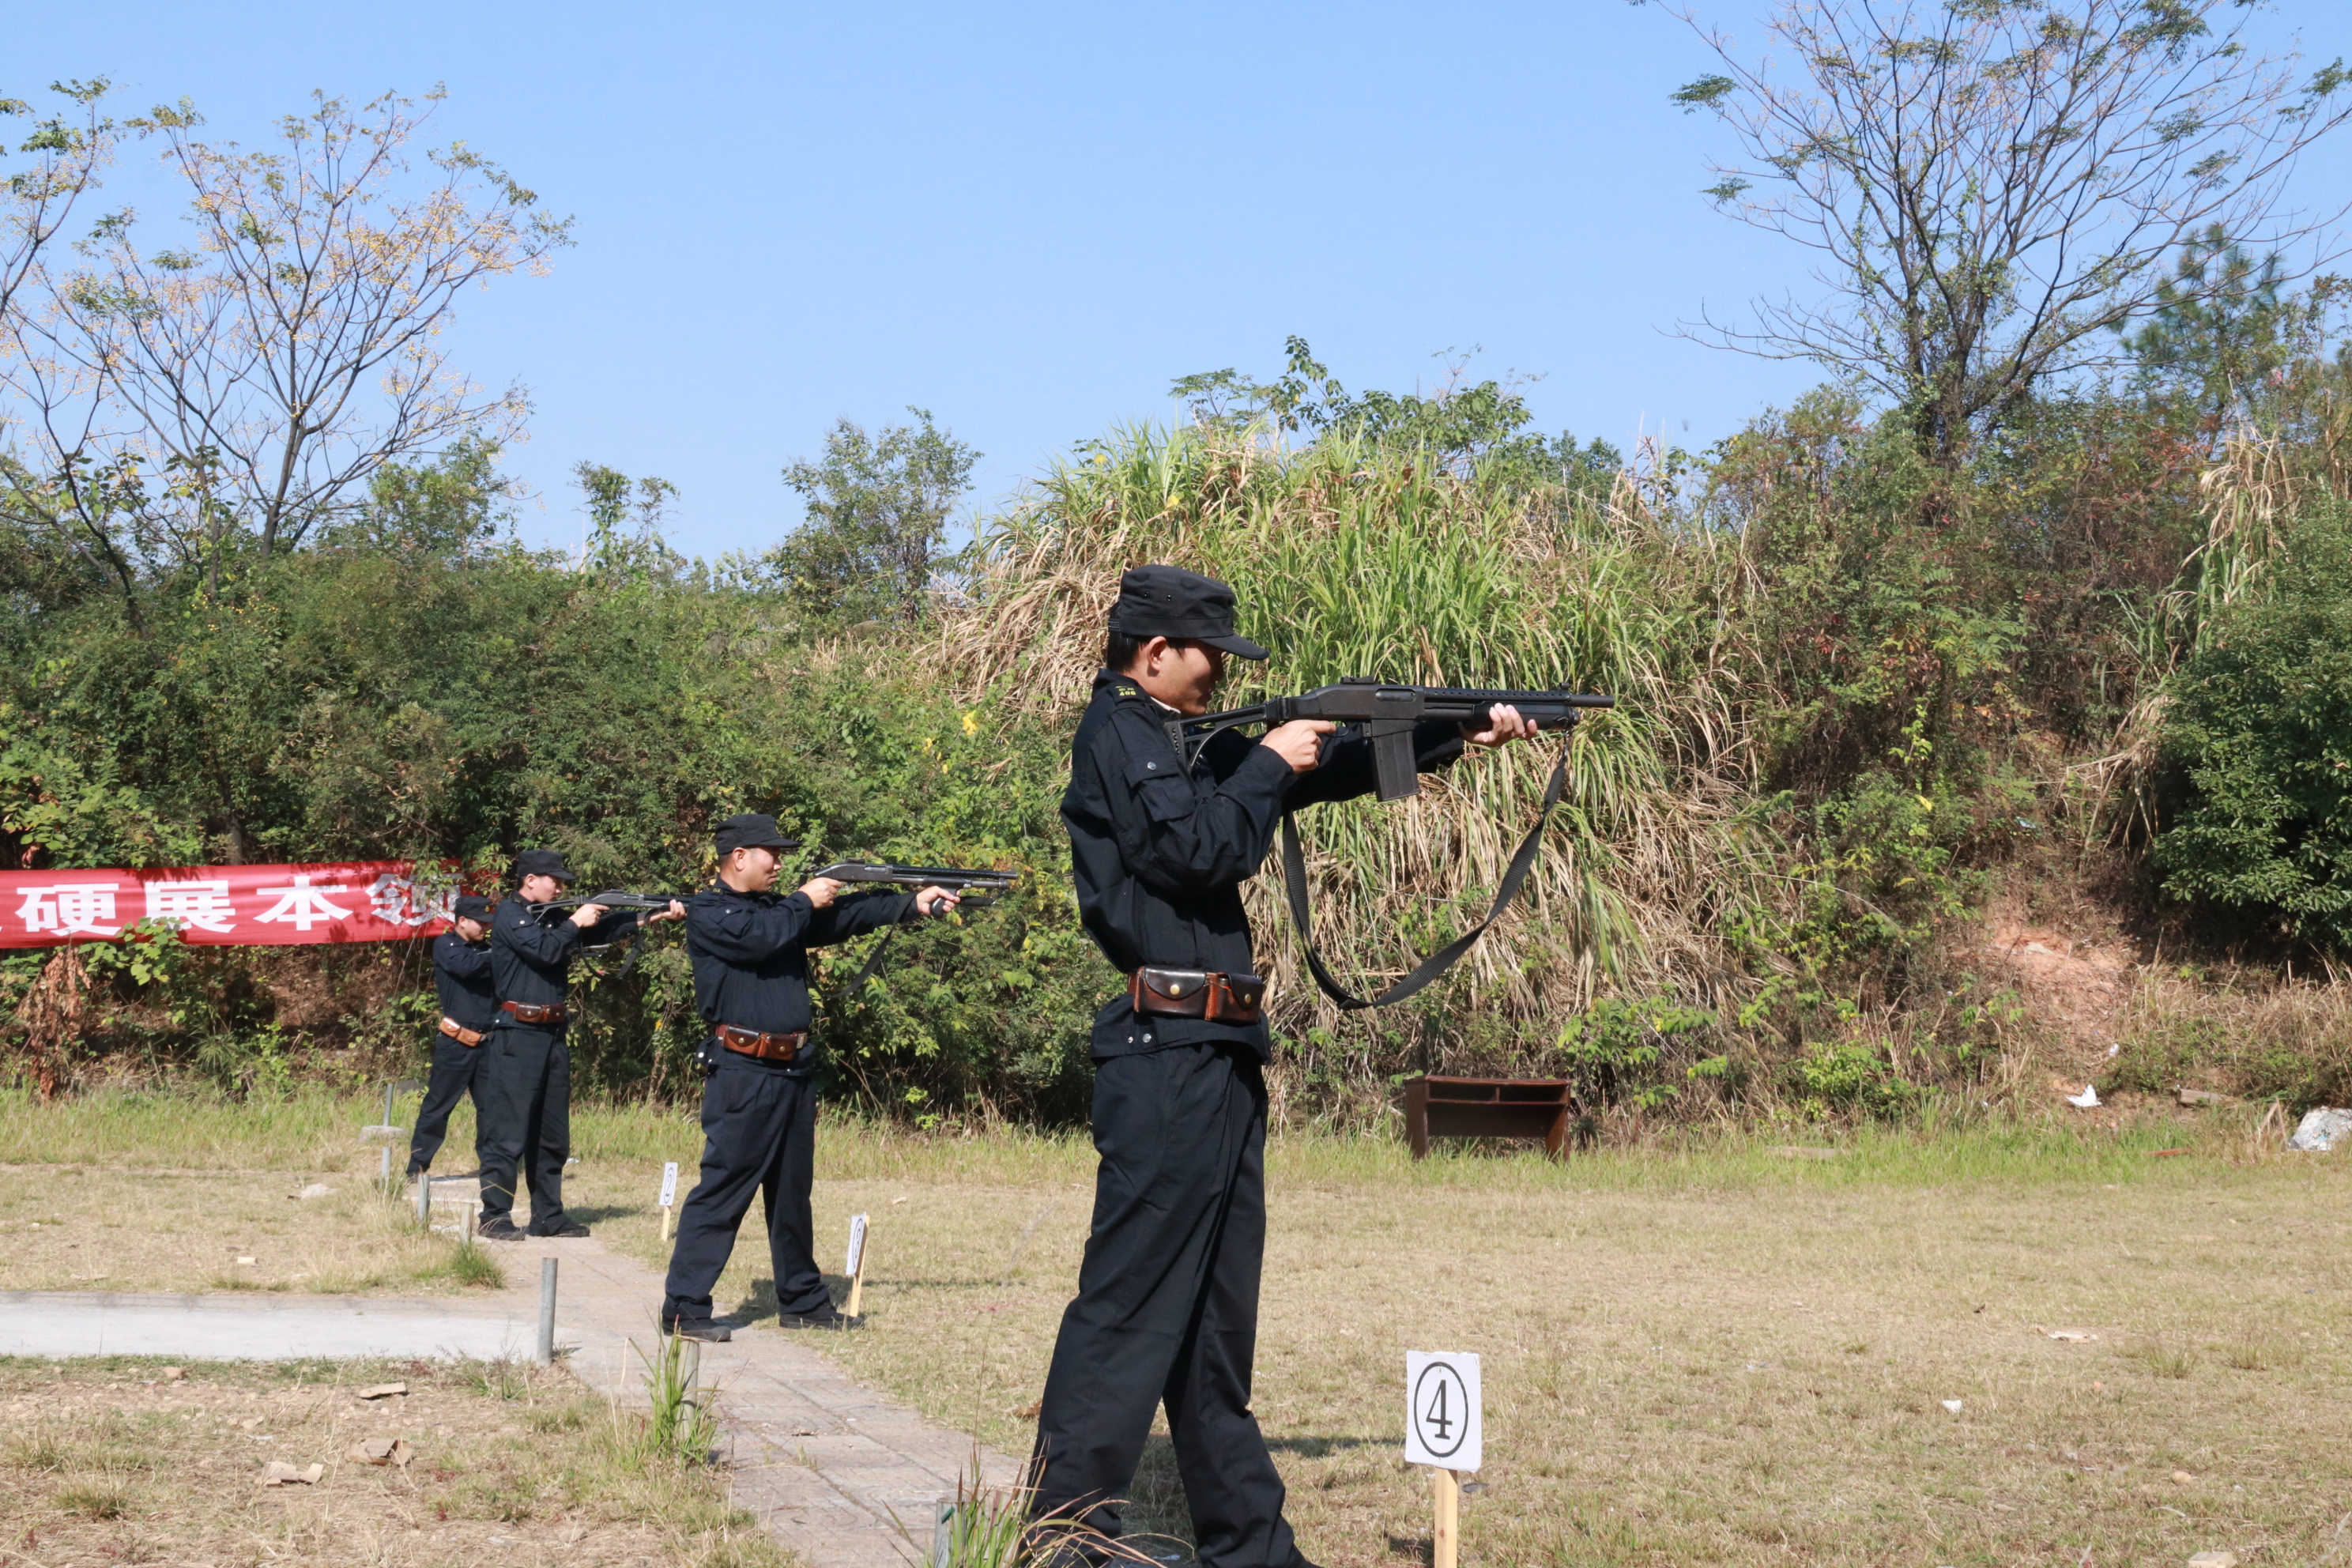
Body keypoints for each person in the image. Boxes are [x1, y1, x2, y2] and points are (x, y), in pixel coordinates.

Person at [1026, 565, 1537, 1567]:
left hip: (1215, 1052)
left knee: (1214, 1329)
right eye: (1208, 653)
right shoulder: (1121, 733)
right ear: (1154, 651)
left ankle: (1249, 1547)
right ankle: (1059, 1533)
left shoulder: (1174, 737)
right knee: (1126, 1307)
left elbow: (1324, 770)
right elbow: (1196, 852)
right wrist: (1266, 761)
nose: (1220, 671)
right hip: (1165, 1050)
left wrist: (1449, 736)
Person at [658, 812, 963, 1342]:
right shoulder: (710, 911)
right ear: (739, 857)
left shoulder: (779, 911)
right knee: (724, 1190)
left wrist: (911, 904)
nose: (779, 862)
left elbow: (842, 918)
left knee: (793, 1195)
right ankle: (684, 1307)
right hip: (743, 1068)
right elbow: (759, 939)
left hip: (793, 1067)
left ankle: (801, 1300)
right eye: (770, 853)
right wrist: (803, 899)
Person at [480, 848, 682, 1241]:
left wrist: (651, 915)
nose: (560, 887)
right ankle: (494, 1214)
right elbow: (545, 950)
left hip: (551, 1033)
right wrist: (576, 921)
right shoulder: (510, 914)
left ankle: (548, 1216)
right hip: (517, 1033)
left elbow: (598, 933)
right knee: (507, 1132)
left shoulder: (552, 916)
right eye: (554, 880)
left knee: (551, 1133)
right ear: (530, 880)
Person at [405, 893, 498, 1181]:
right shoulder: (446, 945)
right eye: (480, 923)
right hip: (456, 1043)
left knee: (492, 1111)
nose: (485, 928)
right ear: (461, 921)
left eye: (488, 923)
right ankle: (417, 1167)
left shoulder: (490, 950)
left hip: (489, 1043)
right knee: (438, 1107)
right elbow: (467, 967)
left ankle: (493, 1168)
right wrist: (503, 956)